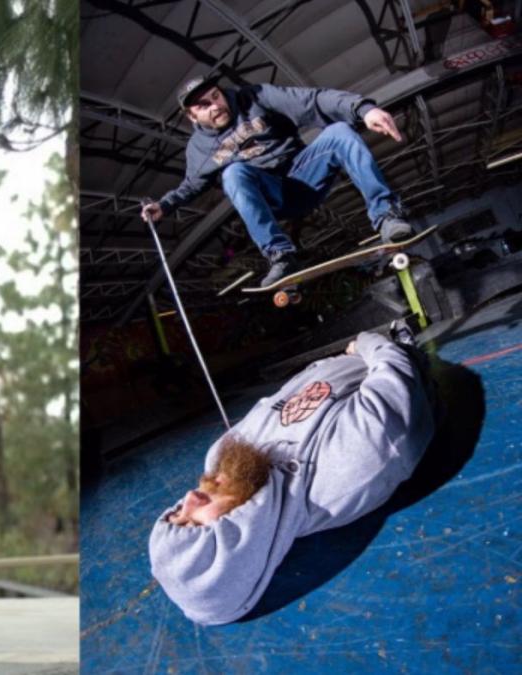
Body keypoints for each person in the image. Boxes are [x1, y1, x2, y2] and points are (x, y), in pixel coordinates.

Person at [148, 326, 437, 625]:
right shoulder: (351, 466)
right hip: (378, 350)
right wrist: (365, 341)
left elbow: (277, 400)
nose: (189, 498)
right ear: (241, 546)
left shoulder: (223, 460)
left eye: (177, 513)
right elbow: (397, 366)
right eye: (195, 523)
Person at [141, 76, 413, 287]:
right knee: (232, 174)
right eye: (205, 106)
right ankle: (280, 256)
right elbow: (191, 185)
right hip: (274, 195)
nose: (216, 106)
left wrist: (362, 109)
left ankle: (386, 214)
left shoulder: (256, 97)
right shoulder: (198, 149)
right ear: (191, 116)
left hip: (304, 175)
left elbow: (312, 100)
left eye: (216, 96)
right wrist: (164, 206)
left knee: (340, 131)